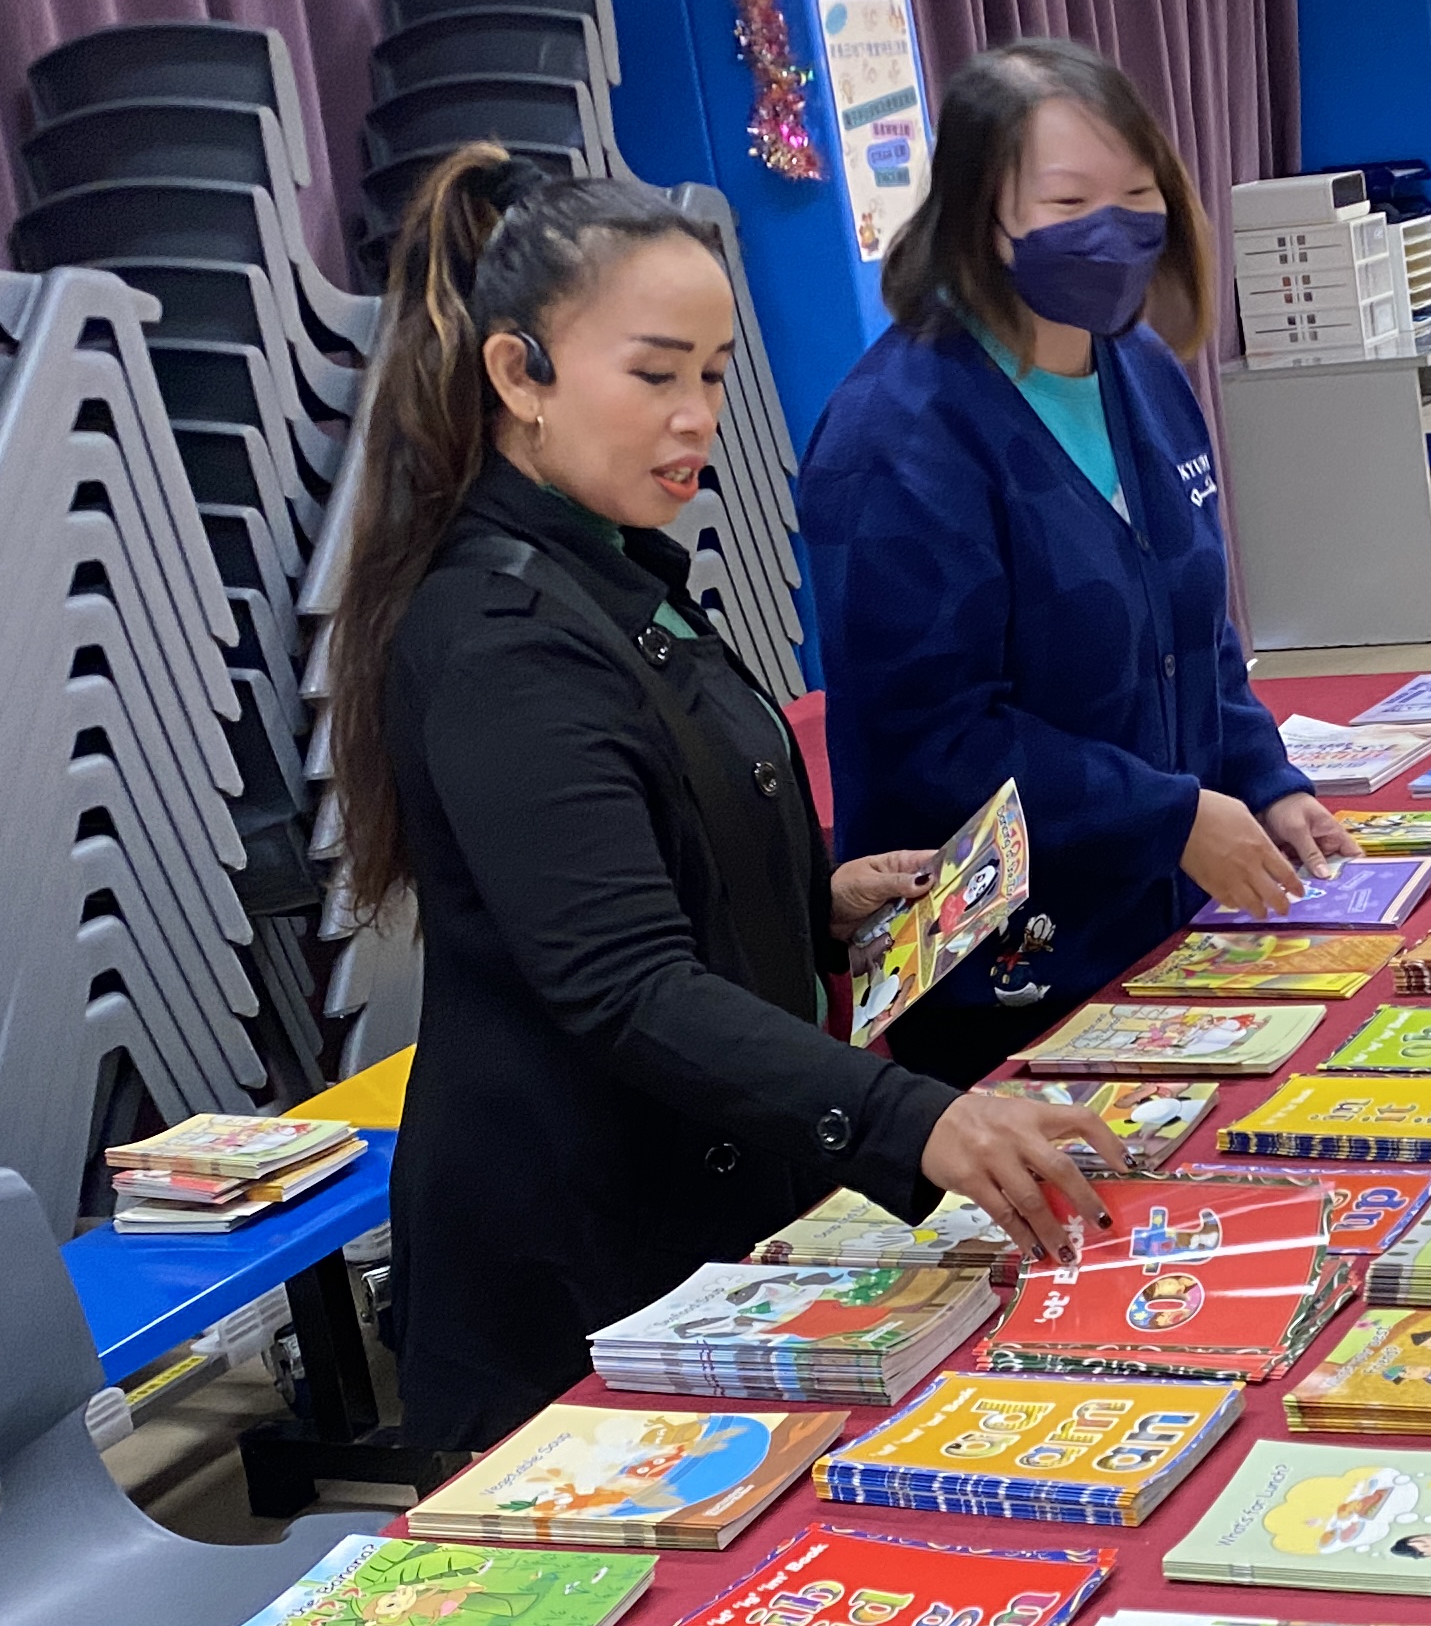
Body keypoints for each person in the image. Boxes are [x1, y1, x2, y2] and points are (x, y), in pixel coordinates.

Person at [332, 150, 1112, 1450]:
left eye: (713, 374)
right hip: (575, 1269)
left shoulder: (613, 567)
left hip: (706, 1201)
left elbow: (657, 837)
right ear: (520, 375)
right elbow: (621, 980)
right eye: (654, 376)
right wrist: (914, 1118)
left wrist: (811, 900)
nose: (695, 416)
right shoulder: (500, 636)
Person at [802, 40, 1353, 1082]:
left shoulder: (1139, 366)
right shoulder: (896, 435)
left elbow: (1194, 631)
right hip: (999, 975)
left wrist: (1265, 781)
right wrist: (1169, 815)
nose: (1113, 227)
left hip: (1167, 928)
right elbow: (935, 736)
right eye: (1067, 201)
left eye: (1137, 194)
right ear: (980, 215)